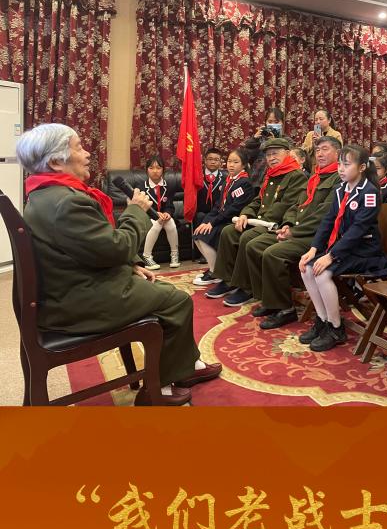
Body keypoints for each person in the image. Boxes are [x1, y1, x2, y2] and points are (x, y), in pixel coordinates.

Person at [15, 123, 222, 406]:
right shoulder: (66, 203)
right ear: (55, 162)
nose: (88, 153)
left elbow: (90, 247)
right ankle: (157, 389)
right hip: (80, 302)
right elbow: (117, 247)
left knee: (163, 292)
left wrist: (131, 264)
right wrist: (136, 210)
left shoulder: (45, 195)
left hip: (71, 289)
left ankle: (186, 366)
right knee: (178, 301)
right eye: (79, 147)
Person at [298, 144, 387, 352]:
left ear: (362, 167)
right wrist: (314, 248)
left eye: (346, 164)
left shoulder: (369, 192)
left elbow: (358, 230)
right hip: (345, 249)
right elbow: (328, 221)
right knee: (306, 268)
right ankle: (322, 320)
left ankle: (336, 328)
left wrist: (331, 255)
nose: (341, 168)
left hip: (365, 251)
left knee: (322, 273)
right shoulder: (341, 189)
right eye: (340, 164)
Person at [244, 136, 342, 329]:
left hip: (317, 237)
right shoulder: (316, 176)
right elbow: (297, 205)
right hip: (299, 230)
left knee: (273, 254)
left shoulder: (338, 178)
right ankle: (270, 301)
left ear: (338, 153)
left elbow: (324, 215)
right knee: (254, 245)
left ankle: (285, 309)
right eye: (317, 150)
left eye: (325, 149)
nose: (320, 154)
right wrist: (288, 224)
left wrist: (295, 231)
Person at [205, 137, 307, 305]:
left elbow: (287, 205)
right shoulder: (272, 174)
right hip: (260, 221)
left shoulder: (295, 176)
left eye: (275, 153)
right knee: (229, 231)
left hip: (275, 223)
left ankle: (247, 288)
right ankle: (228, 280)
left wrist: (258, 219)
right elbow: (259, 200)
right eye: (268, 155)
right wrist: (246, 214)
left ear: (287, 153)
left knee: (247, 237)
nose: (271, 158)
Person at [192, 147, 253, 285]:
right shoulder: (228, 180)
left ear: (244, 165)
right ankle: (213, 268)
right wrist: (206, 221)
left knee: (204, 235)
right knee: (198, 232)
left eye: (236, 162)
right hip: (223, 218)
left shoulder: (244, 183)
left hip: (234, 221)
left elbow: (233, 209)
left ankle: (216, 272)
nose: (231, 165)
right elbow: (218, 205)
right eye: (229, 161)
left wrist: (212, 223)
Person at [141, 154, 180, 270]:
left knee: (170, 222)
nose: (155, 171)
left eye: (158, 168)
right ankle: (147, 256)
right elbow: (141, 207)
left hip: (163, 217)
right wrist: (155, 214)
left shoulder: (168, 186)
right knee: (157, 223)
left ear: (163, 170)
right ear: (147, 170)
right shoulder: (141, 187)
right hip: (148, 217)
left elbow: (170, 205)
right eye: (151, 168)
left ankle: (175, 255)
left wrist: (168, 213)